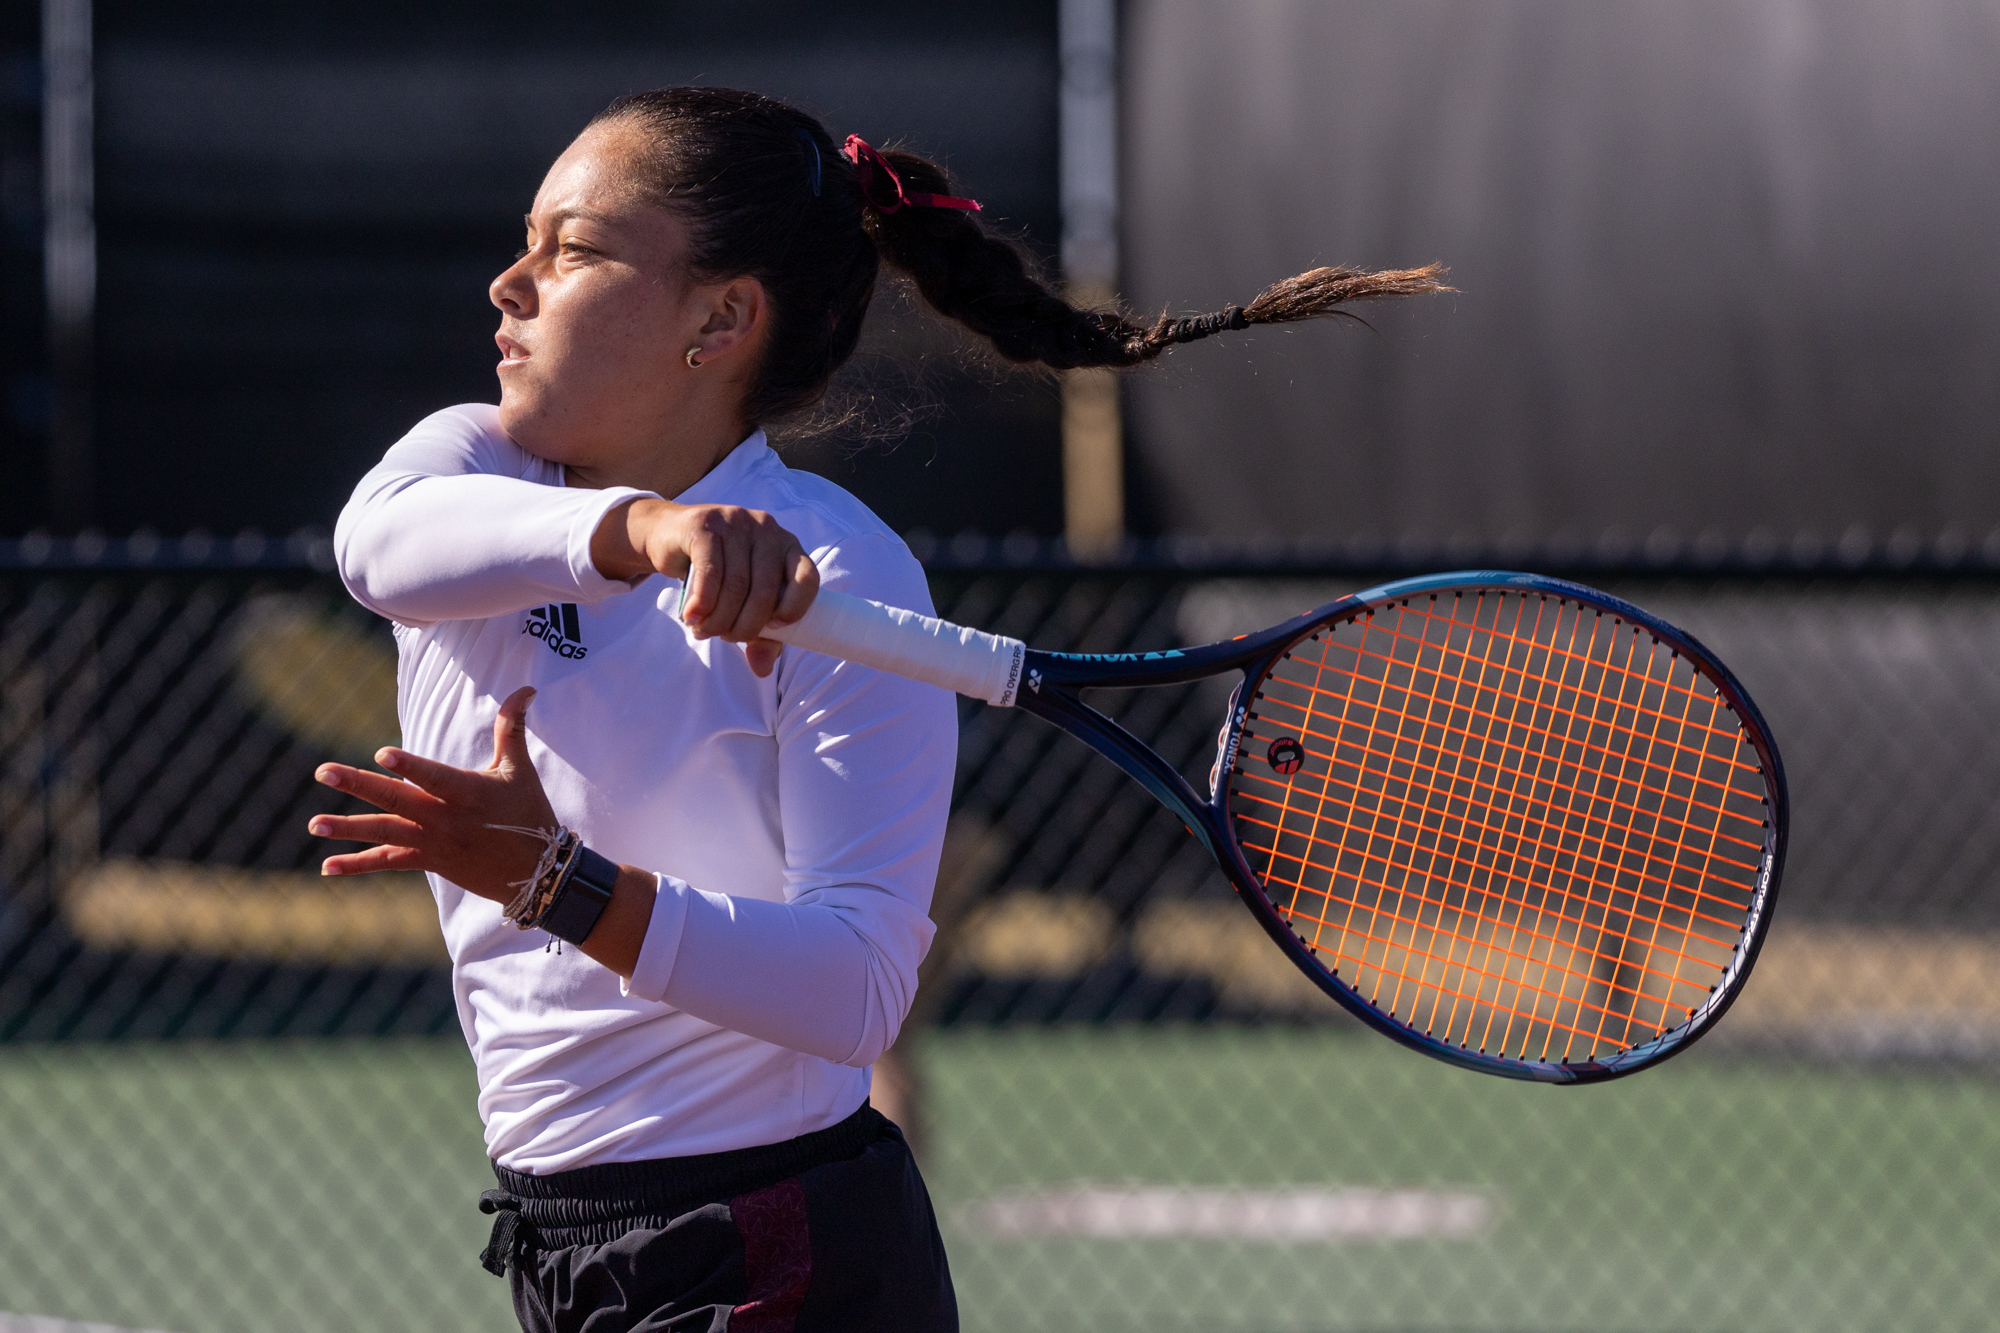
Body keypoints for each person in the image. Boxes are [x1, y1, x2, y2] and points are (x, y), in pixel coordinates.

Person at [308, 86, 1446, 1332]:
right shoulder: (470, 469)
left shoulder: (842, 576)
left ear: (721, 317)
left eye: (573, 249)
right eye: (528, 240)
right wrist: (642, 531)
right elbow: (378, 545)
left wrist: (562, 883)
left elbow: (857, 990)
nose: (509, 285)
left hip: (773, 1253)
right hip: (563, 1235)